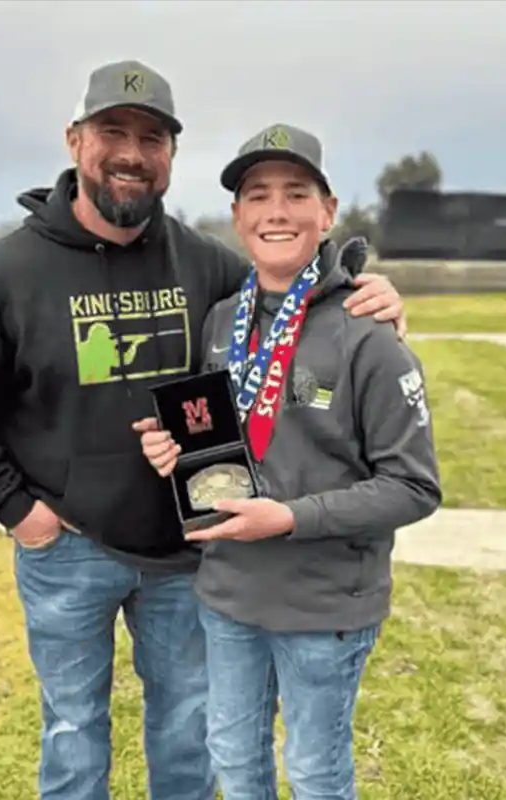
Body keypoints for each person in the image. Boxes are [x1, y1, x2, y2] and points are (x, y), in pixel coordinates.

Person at [0, 59, 408, 800]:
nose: (133, 153)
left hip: (184, 559)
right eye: (114, 132)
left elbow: (297, 298)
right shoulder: (1, 275)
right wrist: (22, 512)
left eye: (153, 137)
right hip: (66, 551)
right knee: (73, 734)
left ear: (172, 156)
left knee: (188, 735)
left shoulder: (208, 266)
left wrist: (374, 298)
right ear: (76, 140)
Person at [137, 123, 442, 799]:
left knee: (314, 772)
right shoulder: (222, 322)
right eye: (257, 195)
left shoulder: (369, 334)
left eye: (296, 193)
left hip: (323, 608)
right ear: (238, 217)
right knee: (236, 762)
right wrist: (171, 449)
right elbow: (211, 436)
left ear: (328, 211)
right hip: (227, 596)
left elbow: (414, 487)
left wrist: (289, 519)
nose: (276, 210)